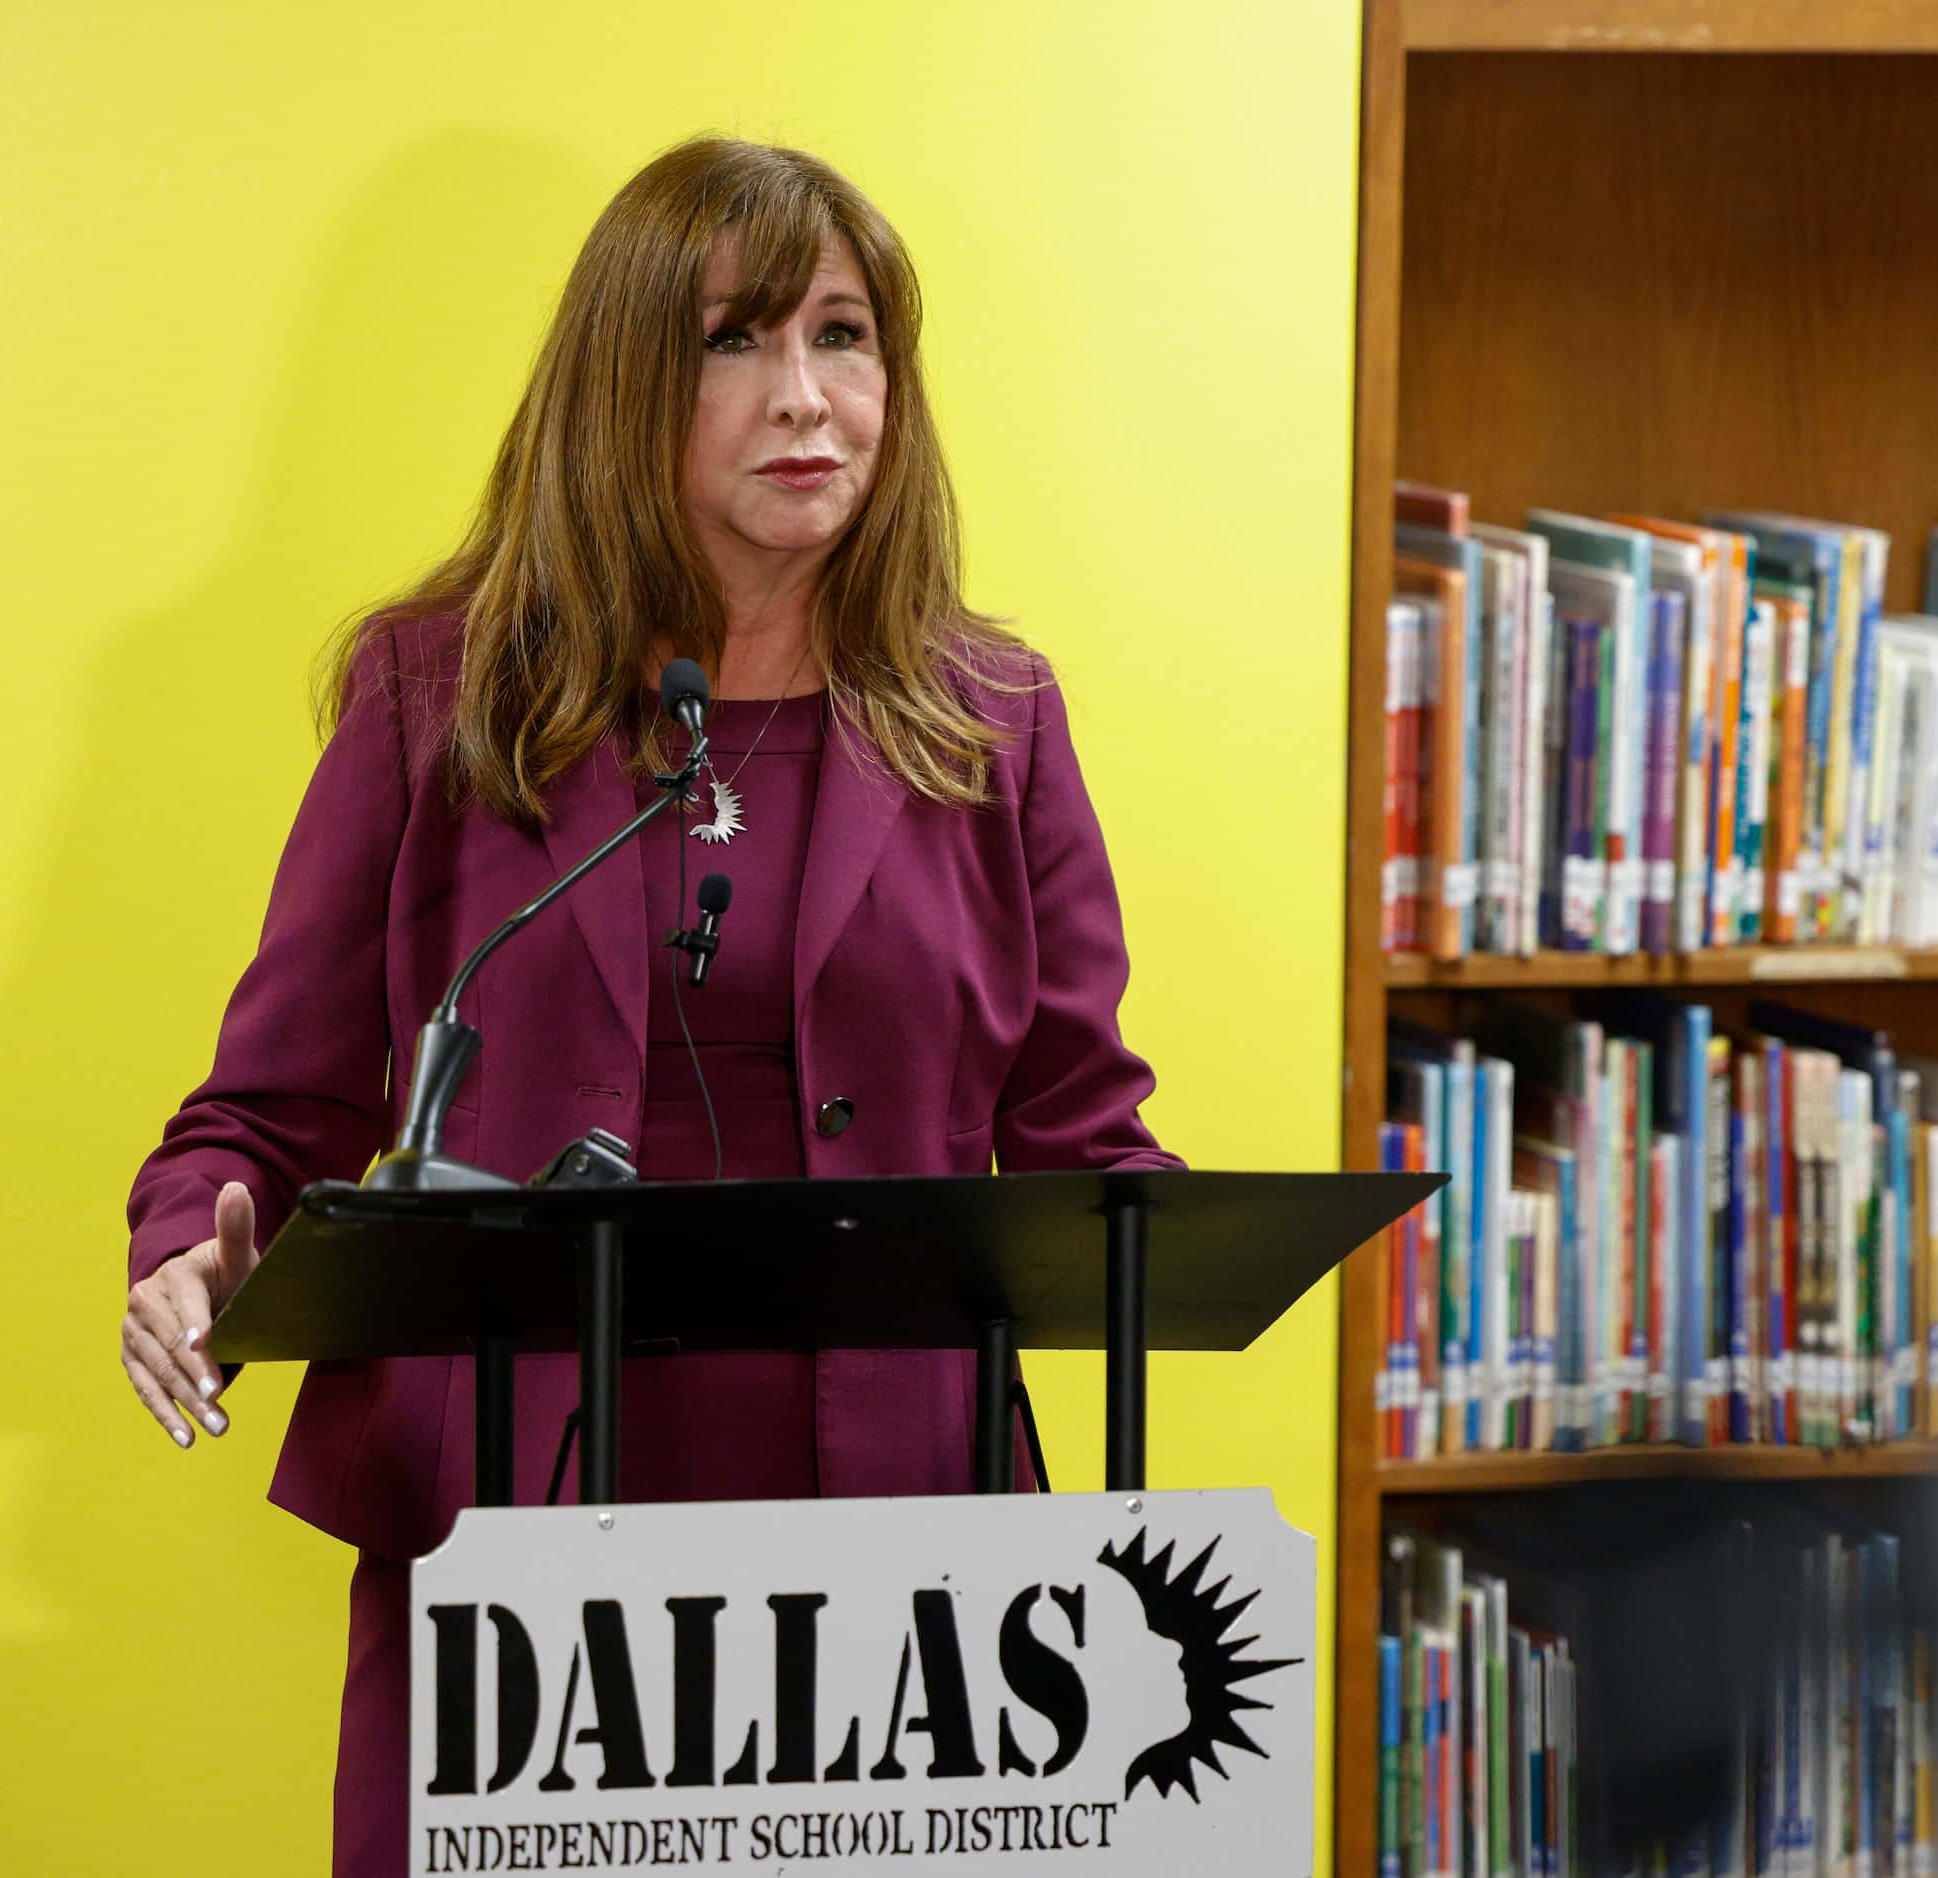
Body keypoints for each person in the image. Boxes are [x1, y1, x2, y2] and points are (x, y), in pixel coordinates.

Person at [114, 135, 1179, 1873]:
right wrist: (190, 1250)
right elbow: (270, 1109)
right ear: (626, 376)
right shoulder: (438, 697)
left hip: (905, 1572)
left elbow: (1085, 1135)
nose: (806, 396)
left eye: (846, 337)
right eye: (735, 340)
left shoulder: (995, 719)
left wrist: (1190, 1234)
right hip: (528, 1528)